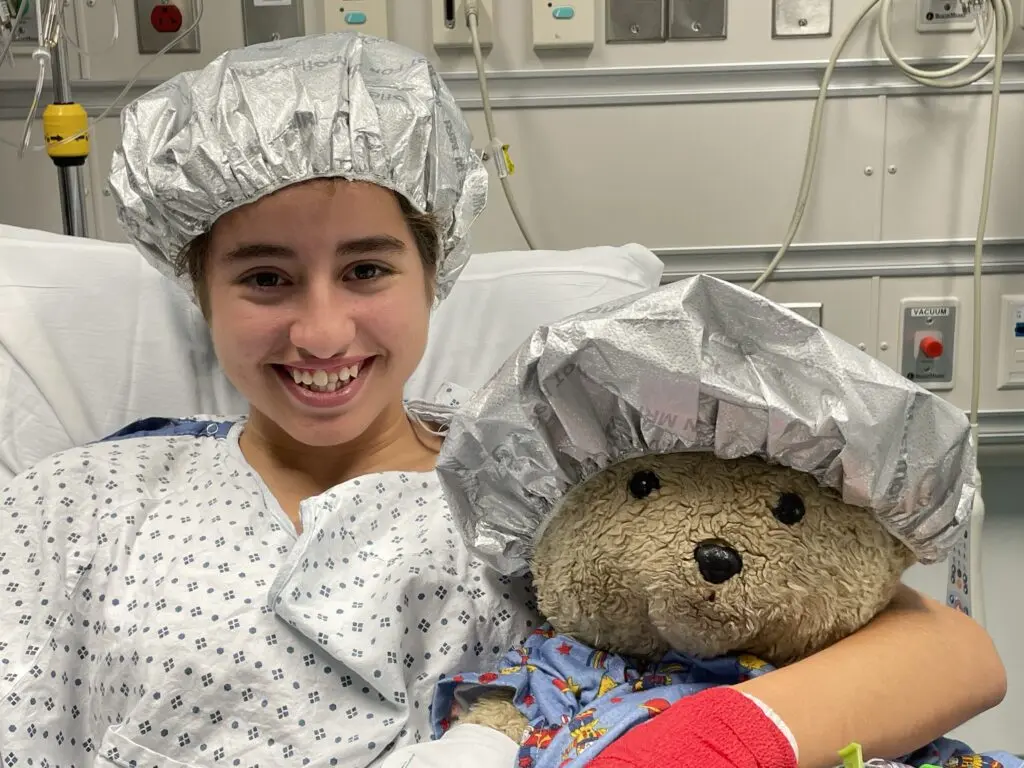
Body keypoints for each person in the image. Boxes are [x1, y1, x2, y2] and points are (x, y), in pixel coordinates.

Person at [0, 31, 1006, 768]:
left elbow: (946, 651)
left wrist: (712, 738)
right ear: (197, 289)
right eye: (264, 279)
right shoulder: (77, 504)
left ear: (433, 272)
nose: (319, 333)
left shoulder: (559, 489)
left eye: (365, 272)